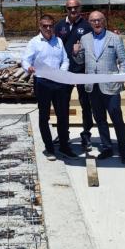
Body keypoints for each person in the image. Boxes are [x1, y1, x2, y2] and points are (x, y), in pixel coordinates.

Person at [22, 14, 76, 160]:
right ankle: (49, 148)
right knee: (44, 116)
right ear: (40, 26)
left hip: (58, 83)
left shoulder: (58, 41)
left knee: (63, 116)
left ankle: (64, 146)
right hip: (42, 83)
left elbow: (65, 60)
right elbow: (25, 60)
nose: (48, 28)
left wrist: (61, 72)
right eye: (44, 26)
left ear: (53, 26)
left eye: (50, 25)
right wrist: (29, 68)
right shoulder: (34, 42)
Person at [78, 11, 125, 163]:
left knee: (117, 118)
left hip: (111, 87)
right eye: (93, 20)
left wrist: (120, 79)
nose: (96, 23)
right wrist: (76, 53)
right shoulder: (84, 39)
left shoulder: (114, 38)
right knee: (100, 119)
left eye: (99, 20)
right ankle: (107, 147)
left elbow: (123, 62)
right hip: (93, 87)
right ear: (89, 23)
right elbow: (82, 61)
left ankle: (122, 149)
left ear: (104, 21)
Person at [54, 0, 94, 150]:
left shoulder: (87, 26)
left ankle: (86, 134)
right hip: (65, 72)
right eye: (69, 8)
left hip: (82, 72)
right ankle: (63, 133)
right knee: (62, 105)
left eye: (75, 7)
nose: (73, 10)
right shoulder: (59, 26)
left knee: (86, 104)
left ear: (80, 9)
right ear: (66, 9)